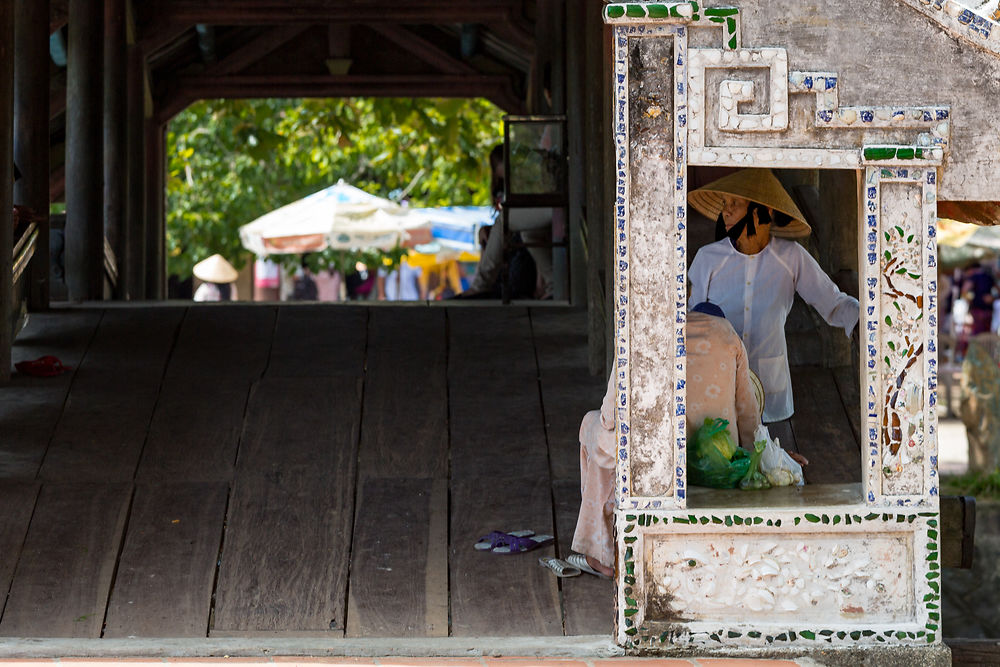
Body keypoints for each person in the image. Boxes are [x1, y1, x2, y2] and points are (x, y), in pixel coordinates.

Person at [571, 302, 806, 578]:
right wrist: (770, 458)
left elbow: (611, 414)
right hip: (717, 463)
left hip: (655, 464)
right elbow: (750, 418)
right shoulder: (728, 334)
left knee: (594, 426)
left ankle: (602, 554)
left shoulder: (645, 329)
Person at [687, 168, 859, 424]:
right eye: (725, 203)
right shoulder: (708, 259)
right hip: (719, 390)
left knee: (776, 458)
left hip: (771, 394)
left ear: (763, 211)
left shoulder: (791, 257)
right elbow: (694, 325)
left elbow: (833, 303)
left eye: (735, 203)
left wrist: (868, 321)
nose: (726, 211)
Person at [458, 145, 553, 299]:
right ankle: (552, 285)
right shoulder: (504, 187)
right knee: (527, 233)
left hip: (522, 254)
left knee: (505, 220)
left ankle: (480, 286)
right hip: (519, 243)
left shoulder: (526, 177)